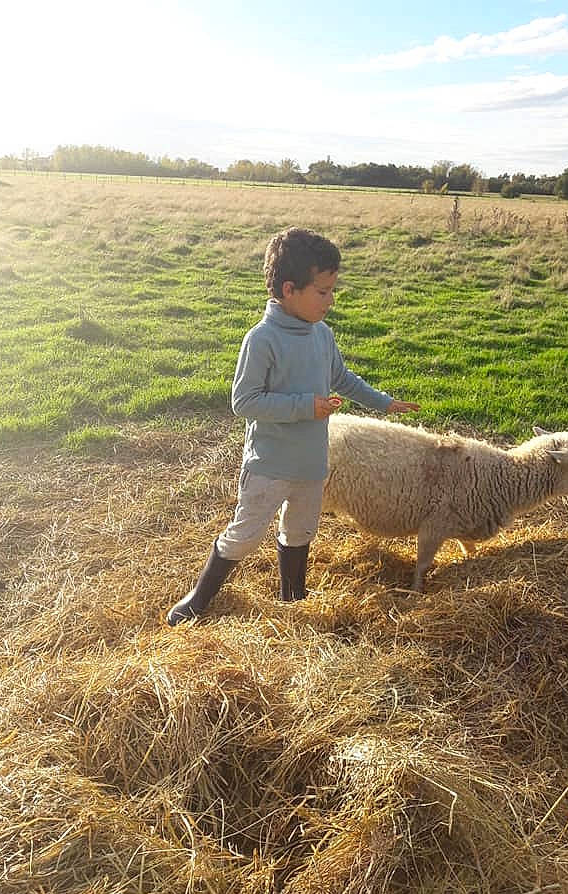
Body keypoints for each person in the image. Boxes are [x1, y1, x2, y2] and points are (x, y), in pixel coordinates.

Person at [166, 227, 420, 624]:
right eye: (322, 291)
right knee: (246, 535)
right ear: (289, 289)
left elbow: (343, 378)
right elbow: (244, 401)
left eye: (333, 290)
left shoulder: (322, 335)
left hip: (310, 464)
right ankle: (199, 598)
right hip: (269, 464)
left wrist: (384, 402)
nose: (331, 301)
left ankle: (292, 599)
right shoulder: (262, 339)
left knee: (300, 531)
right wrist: (307, 406)